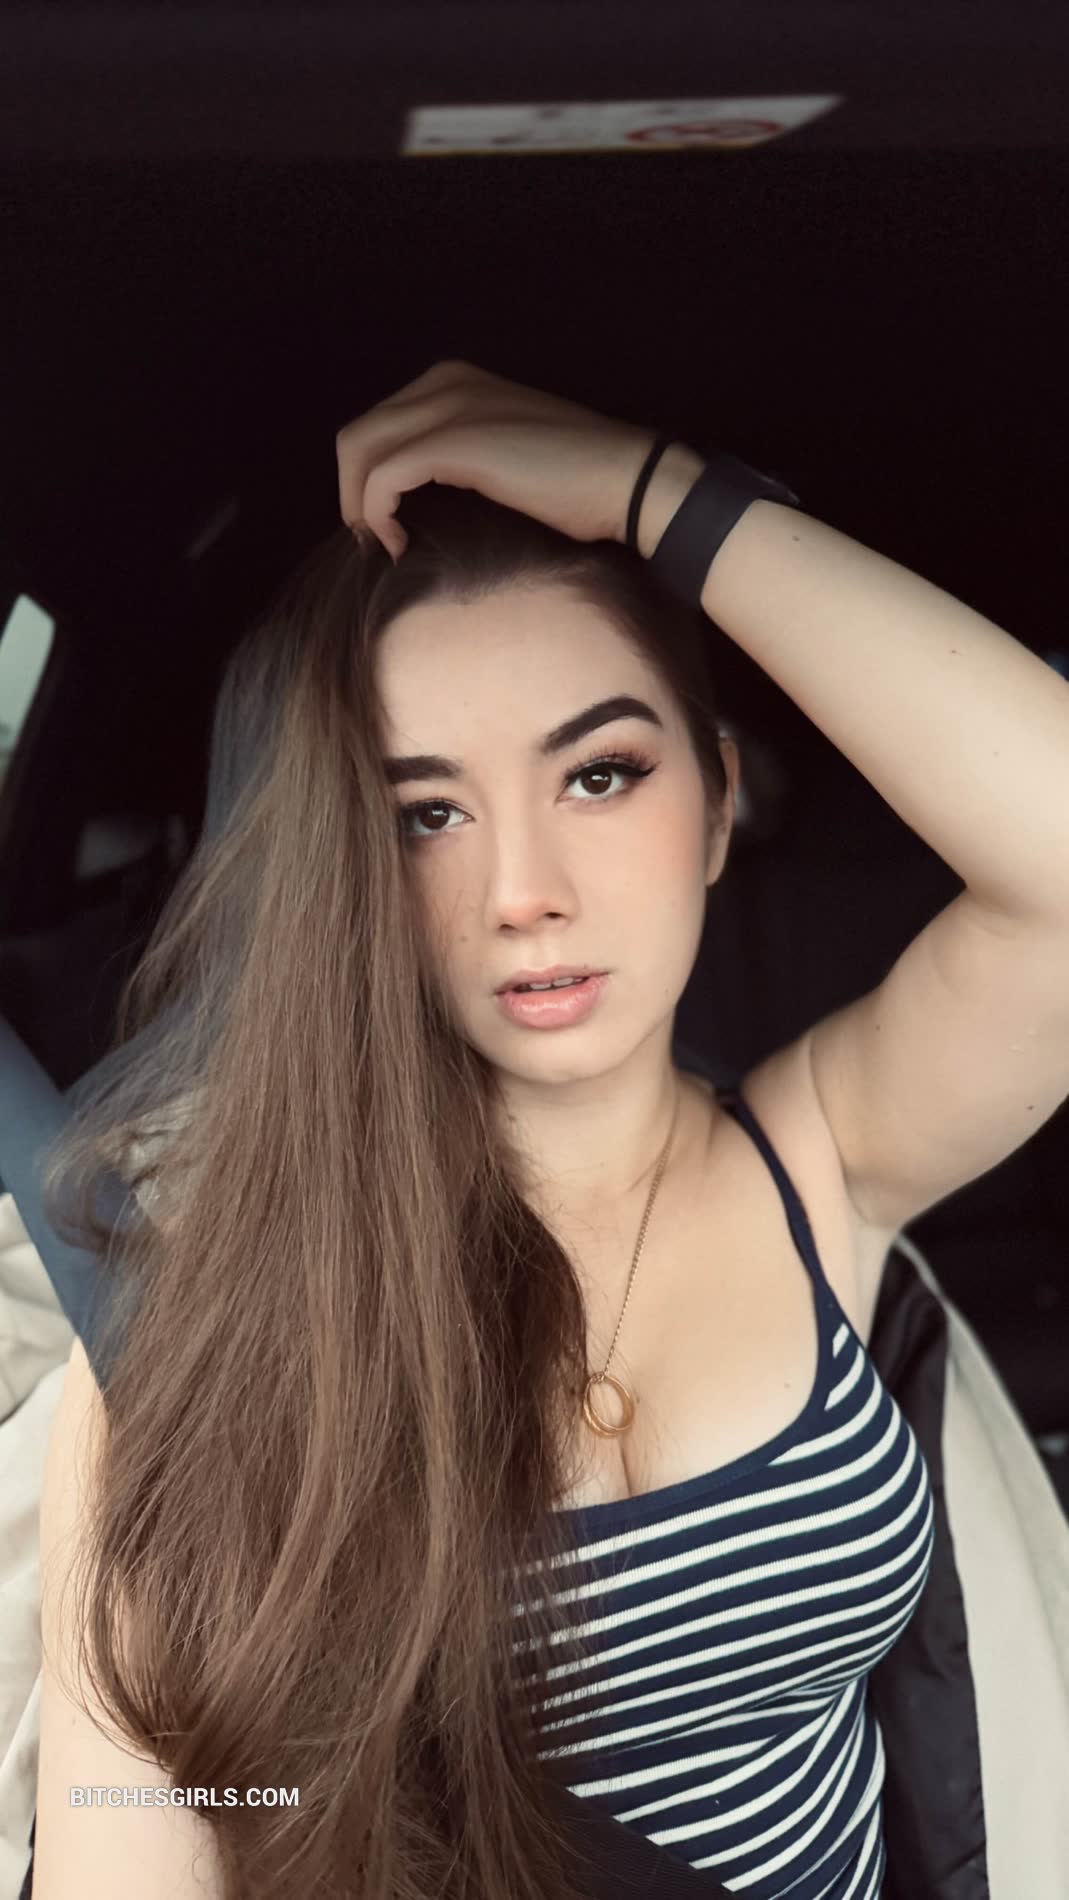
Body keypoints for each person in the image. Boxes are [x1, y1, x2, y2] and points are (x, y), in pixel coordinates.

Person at [27, 361, 1069, 1900]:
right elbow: (135, 1837)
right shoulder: (204, 1313)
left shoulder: (822, 1158)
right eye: (425, 814)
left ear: (716, 802)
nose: (525, 892)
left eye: (599, 773)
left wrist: (659, 493)